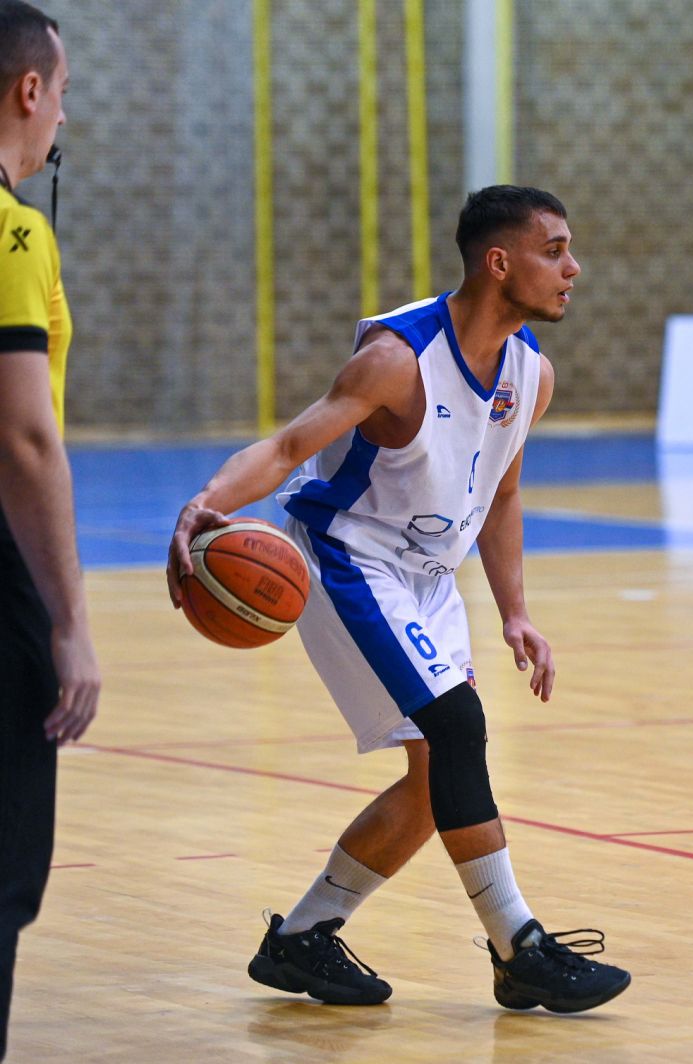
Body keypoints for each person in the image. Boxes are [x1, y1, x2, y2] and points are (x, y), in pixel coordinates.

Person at [166, 185, 629, 1013]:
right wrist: (211, 501)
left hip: (431, 577)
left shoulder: (532, 373)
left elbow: (504, 493)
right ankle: (518, 945)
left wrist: (515, 611)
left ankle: (304, 937)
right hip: (353, 558)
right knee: (459, 728)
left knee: (433, 780)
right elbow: (287, 444)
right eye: (554, 250)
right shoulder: (398, 357)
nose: (573, 268)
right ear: (500, 262)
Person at [0, 3, 99, 1059]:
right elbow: (24, 439)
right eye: (63, 92)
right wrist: (71, 619)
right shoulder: (15, 229)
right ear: (31, 90)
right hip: (1, 573)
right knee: (4, 868)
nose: (61, 113)